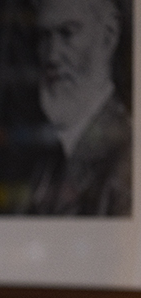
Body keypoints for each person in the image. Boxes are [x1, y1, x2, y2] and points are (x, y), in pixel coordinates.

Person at [28, 0, 131, 215]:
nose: (52, 56)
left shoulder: (128, 153)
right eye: (44, 37)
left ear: (108, 35)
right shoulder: (44, 158)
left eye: (67, 33)